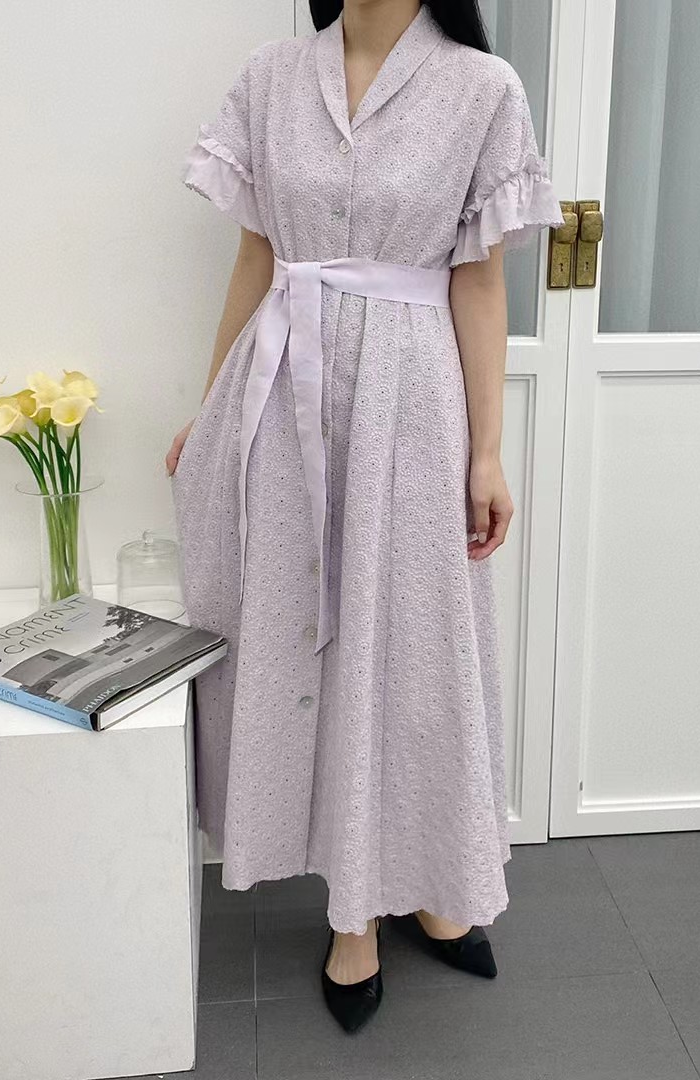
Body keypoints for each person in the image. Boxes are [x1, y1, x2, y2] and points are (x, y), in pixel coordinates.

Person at [165, 0, 563, 1033]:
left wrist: (487, 450)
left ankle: (424, 882)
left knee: (413, 650)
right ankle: (354, 913)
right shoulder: (272, 77)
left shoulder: (482, 89)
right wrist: (211, 412)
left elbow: (480, 281)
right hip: (279, 391)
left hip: (411, 404)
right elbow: (254, 261)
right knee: (303, 641)